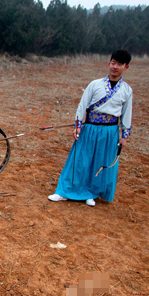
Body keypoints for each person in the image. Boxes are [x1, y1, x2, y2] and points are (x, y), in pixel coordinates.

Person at [48, 50, 133, 207]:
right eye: (113, 63)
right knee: (79, 159)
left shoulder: (127, 90)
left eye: (119, 64)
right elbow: (83, 105)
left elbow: (126, 114)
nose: (115, 67)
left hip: (110, 132)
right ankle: (64, 192)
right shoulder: (95, 84)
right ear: (109, 64)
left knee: (100, 162)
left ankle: (91, 193)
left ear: (126, 67)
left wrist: (124, 135)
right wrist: (78, 126)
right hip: (90, 129)